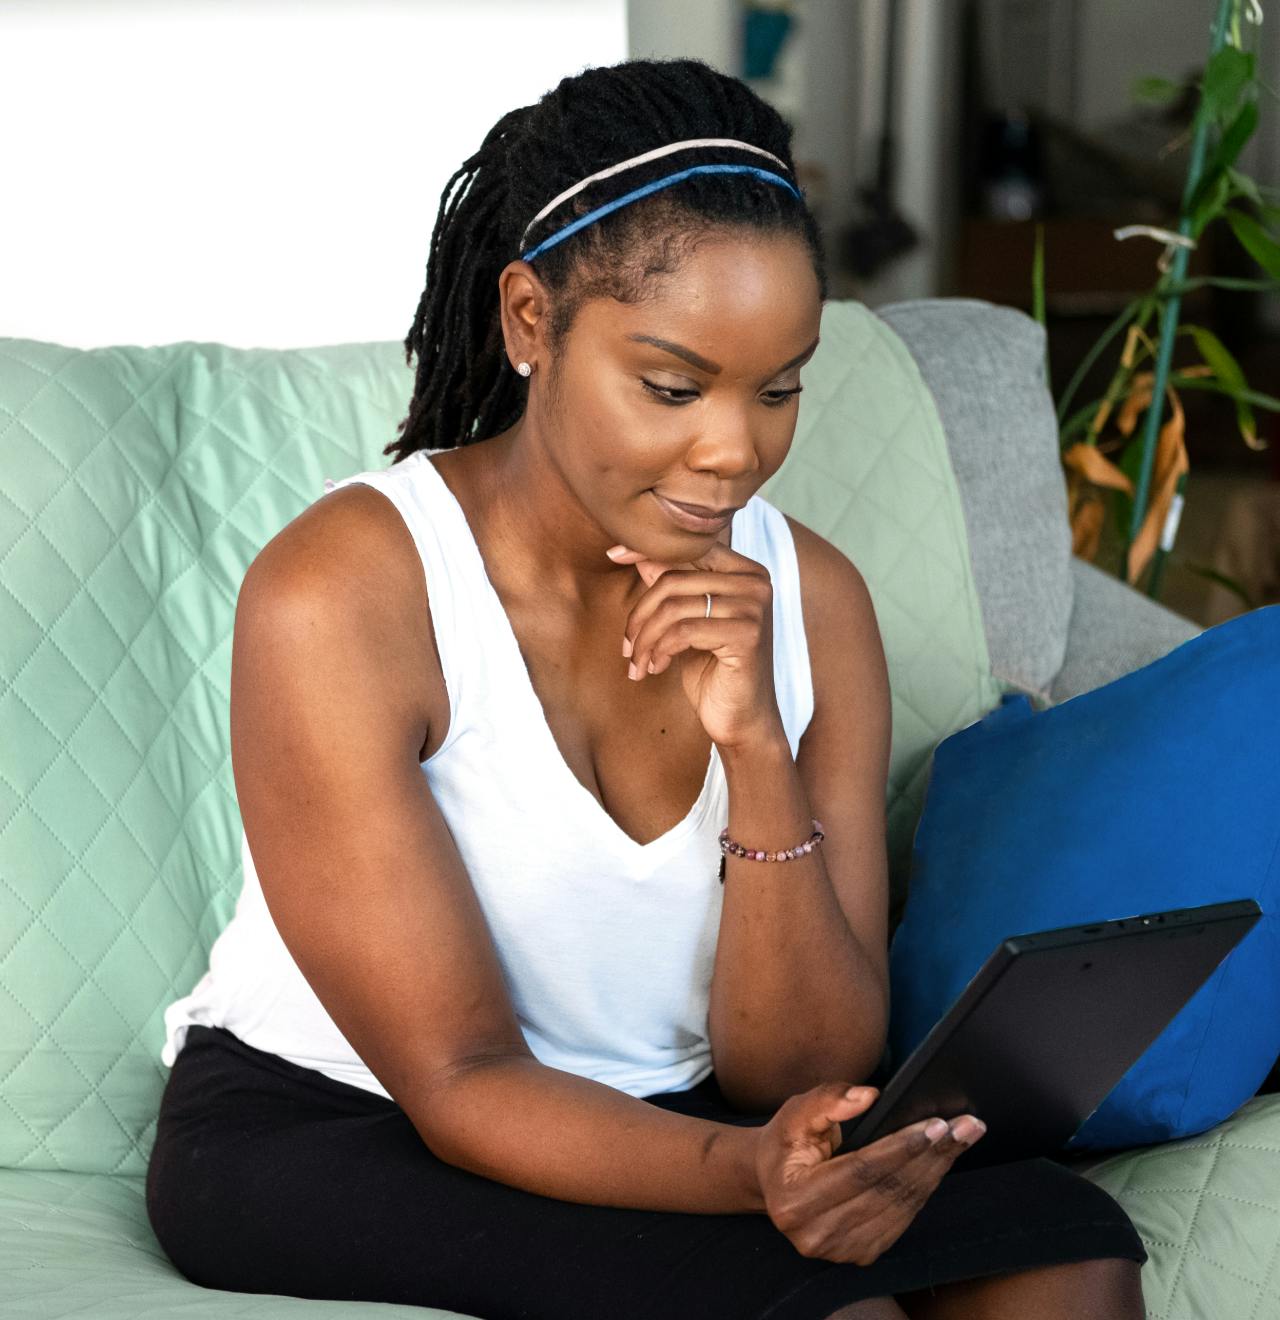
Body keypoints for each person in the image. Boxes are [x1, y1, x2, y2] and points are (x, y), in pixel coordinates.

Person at [145, 56, 1147, 1320]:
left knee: (1067, 1247)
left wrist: (756, 749)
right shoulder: (343, 594)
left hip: (680, 1113)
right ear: (527, 321)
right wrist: (750, 1177)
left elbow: (802, 1063)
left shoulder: (812, 601)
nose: (733, 453)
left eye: (779, 388)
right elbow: (458, 1077)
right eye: (671, 387)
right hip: (352, 1120)